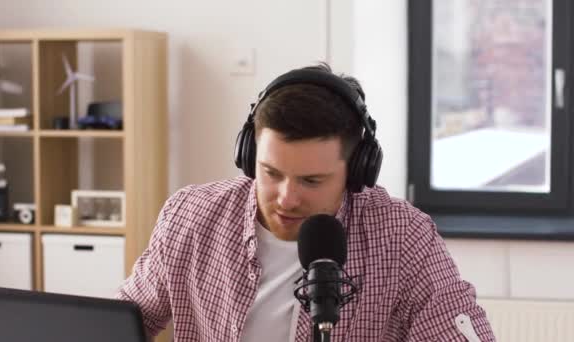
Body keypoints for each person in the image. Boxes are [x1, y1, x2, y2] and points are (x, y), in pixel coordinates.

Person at [116, 64, 496, 341]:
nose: (286, 197)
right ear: (249, 156)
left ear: (357, 171)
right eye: (271, 173)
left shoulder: (402, 234)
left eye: (311, 181)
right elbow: (125, 322)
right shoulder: (190, 216)